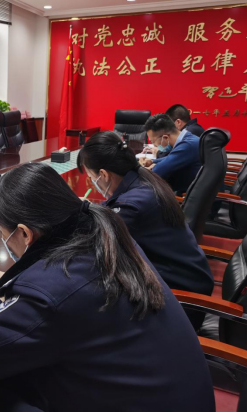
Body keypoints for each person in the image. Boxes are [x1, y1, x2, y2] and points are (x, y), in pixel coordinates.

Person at [0, 163, 215, 412]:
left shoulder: (52, 294)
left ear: (24, 233)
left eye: (5, 236)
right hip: (169, 395)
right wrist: (13, 284)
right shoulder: (105, 232)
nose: (7, 244)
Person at [77, 131, 213, 329]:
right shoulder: (143, 180)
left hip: (178, 301)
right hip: (184, 280)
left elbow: (91, 238)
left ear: (104, 175)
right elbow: (112, 211)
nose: (92, 182)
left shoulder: (133, 205)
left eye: (91, 177)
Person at [141, 113, 201, 195]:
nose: (154, 145)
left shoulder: (187, 145)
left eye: (153, 141)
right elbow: (171, 157)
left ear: (165, 137)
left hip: (188, 197)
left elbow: (157, 171)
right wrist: (152, 161)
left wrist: (140, 169)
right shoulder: (188, 138)